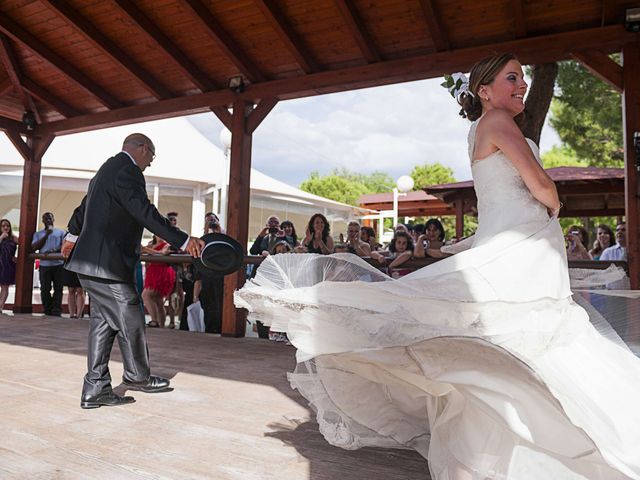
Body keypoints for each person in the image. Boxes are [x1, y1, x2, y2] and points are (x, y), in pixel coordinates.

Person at [235, 54, 640, 478]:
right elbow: (539, 183)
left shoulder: (479, 129)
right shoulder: (499, 123)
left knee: (508, 339)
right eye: (513, 78)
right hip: (523, 244)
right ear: (484, 91)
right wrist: (555, 206)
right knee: (529, 336)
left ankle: (508, 441)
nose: (522, 84)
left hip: (516, 240)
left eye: (522, 77)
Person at [62, 133, 203, 409]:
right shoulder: (127, 171)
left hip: (91, 263)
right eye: (151, 155)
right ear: (142, 148)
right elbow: (144, 212)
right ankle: (137, 376)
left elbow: (86, 204)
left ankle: (95, 388)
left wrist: (71, 234)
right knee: (132, 314)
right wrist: (184, 240)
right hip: (105, 265)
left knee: (103, 324)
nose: (150, 163)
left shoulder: (107, 169)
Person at [31, 212, 66, 316]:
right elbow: (34, 247)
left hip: (58, 264)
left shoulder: (61, 232)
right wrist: (46, 235)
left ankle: (56, 310)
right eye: (46, 219)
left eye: (50, 218)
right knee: (45, 289)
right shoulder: (38, 234)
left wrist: (54, 251)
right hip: (44, 265)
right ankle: (47, 309)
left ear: (53, 219)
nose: (48, 220)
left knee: (58, 288)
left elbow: (65, 246)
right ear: (43, 221)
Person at [141, 235, 176, 328]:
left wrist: (147, 250)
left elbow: (162, 253)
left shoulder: (167, 245)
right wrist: (149, 250)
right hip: (152, 273)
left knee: (146, 295)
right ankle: (161, 325)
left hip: (162, 273)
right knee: (158, 300)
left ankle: (154, 321)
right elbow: (142, 249)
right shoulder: (150, 245)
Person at [0, 219, 18, 313]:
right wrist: (1, 237)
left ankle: (0, 306)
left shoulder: (14, 238)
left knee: (5, 286)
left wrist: (17, 258)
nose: (6, 227)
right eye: (3, 226)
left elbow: (25, 248)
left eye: (7, 225)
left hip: (8, 265)